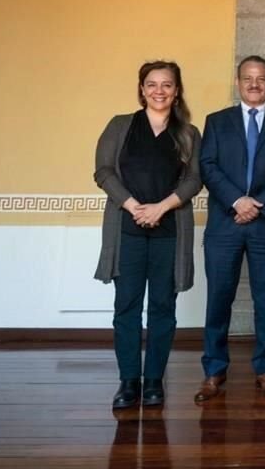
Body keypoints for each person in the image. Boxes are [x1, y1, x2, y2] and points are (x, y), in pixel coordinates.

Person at [94, 60, 202, 409]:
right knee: (126, 307)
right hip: (127, 230)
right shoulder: (120, 125)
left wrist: (161, 208)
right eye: (152, 84)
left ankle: (154, 380)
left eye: (166, 84)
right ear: (141, 89)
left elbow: (193, 180)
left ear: (176, 90)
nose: (159, 91)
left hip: (169, 231)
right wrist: (133, 206)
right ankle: (128, 382)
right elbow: (103, 171)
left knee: (162, 307)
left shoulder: (188, 133)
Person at [195, 55, 265, 401]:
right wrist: (236, 201)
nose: (254, 84)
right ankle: (213, 370)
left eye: (261, 79)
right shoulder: (216, 122)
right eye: (247, 78)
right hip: (225, 223)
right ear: (237, 82)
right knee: (218, 299)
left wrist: (257, 204)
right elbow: (208, 167)